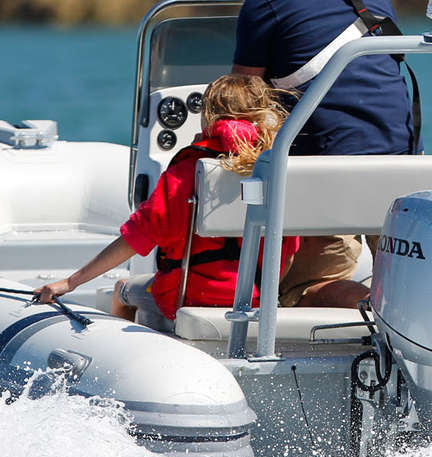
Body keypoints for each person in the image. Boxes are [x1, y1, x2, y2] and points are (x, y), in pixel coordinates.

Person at [231, 0, 417, 309]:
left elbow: (240, 103)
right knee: (402, 260)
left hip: (333, 170)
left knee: (301, 289)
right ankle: (419, 312)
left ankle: (381, 309)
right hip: (404, 160)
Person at [34, 75, 299, 322]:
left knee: (121, 290)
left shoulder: (186, 172)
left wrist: (71, 282)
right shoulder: (277, 173)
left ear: (208, 115)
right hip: (254, 302)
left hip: (186, 299)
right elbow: (286, 256)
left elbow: (135, 239)